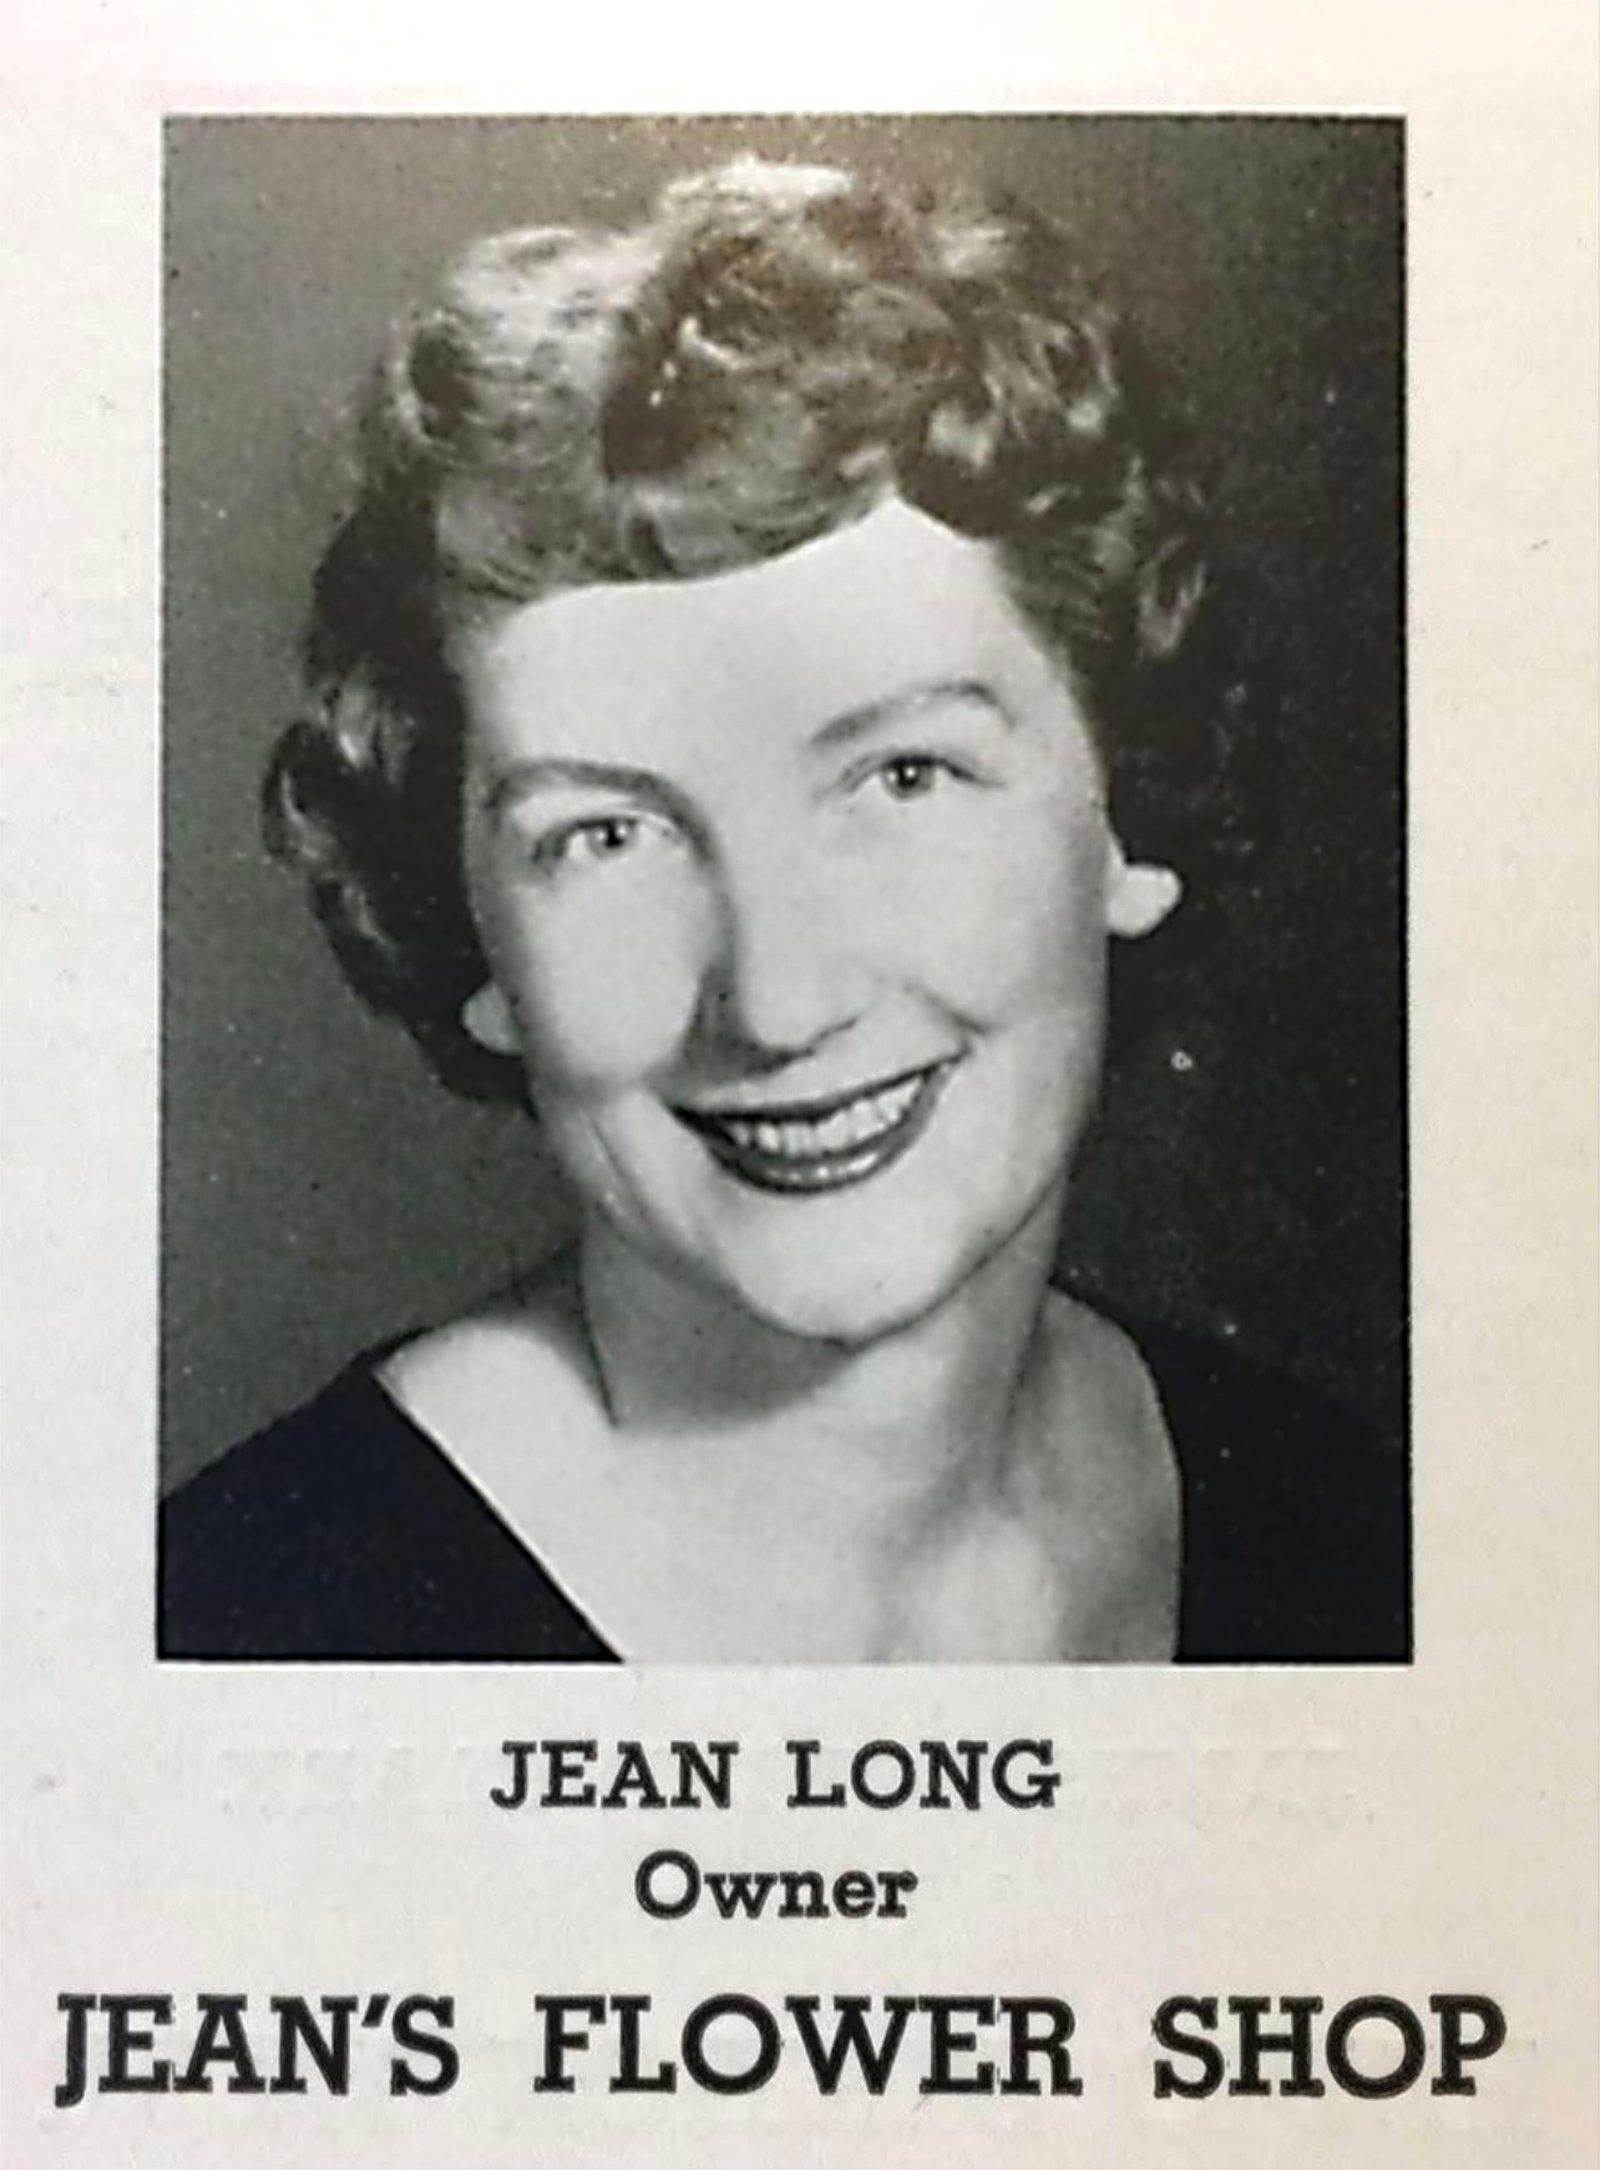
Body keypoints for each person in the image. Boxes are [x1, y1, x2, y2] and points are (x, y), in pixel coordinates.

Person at [160, 156, 1406, 1663]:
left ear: (1127, 813)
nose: (779, 998)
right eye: (607, 834)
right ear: (471, 935)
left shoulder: (1344, 1530)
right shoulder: (244, 1624)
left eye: (903, 776)